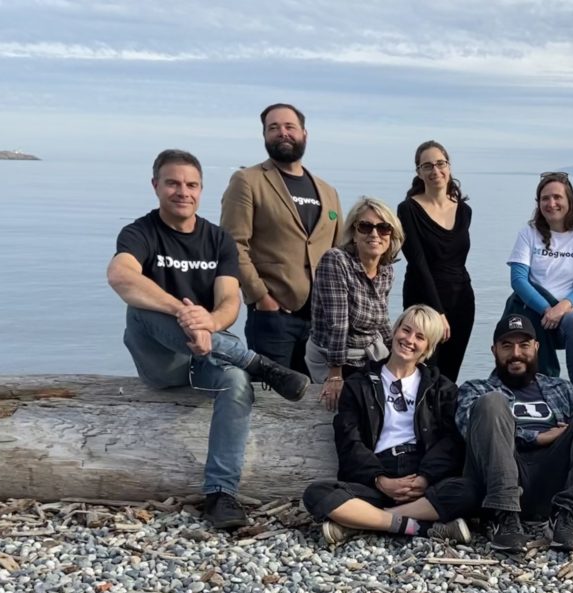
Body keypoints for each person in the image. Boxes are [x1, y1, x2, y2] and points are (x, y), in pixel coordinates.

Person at [107, 149, 310, 529]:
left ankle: (221, 494)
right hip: (161, 360)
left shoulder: (217, 240)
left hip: (205, 355)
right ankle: (256, 362)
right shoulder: (140, 232)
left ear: (201, 190)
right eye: (173, 183)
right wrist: (182, 312)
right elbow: (120, 276)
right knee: (144, 306)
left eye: (191, 184)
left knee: (235, 381)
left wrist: (210, 324)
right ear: (156, 186)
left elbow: (230, 301)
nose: (182, 191)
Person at [303, 305, 478, 545]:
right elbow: (348, 441)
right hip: (377, 476)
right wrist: (379, 480)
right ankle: (421, 527)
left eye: (420, 337)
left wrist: (425, 478)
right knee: (316, 494)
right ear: (394, 330)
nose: (409, 340)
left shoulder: (442, 388)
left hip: (423, 477)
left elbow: (452, 441)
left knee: (470, 489)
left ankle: (365, 523)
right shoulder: (358, 384)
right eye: (405, 330)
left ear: (428, 347)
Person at [456, 314, 573, 552]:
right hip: (502, 476)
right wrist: (535, 437)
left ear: (537, 347)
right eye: (507, 346)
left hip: (553, 477)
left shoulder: (561, 388)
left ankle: (568, 517)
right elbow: (468, 428)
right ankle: (504, 518)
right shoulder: (476, 389)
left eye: (524, 345)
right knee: (491, 403)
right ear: (494, 350)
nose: (516, 353)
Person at [219, 103, 343, 375]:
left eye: (289, 127)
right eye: (273, 128)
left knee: (316, 399)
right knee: (271, 402)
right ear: (264, 136)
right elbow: (232, 243)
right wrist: (262, 297)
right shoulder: (247, 181)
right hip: (273, 318)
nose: (282, 133)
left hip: (321, 320)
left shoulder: (328, 191)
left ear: (304, 134)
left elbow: (339, 253)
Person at [505, 172, 573, 393]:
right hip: (531, 309)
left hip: (564, 312)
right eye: (545, 198)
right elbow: (518, 280)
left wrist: (561, 308)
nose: (551, 203)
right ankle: (536, 388)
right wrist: (546, 309)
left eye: (557, 197)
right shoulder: (528, 234)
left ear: (569, 201)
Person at [307, 197, 404, 411]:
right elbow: (338, 324)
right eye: (366, 227)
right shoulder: (336, 260)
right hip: (332, 357)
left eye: (383, 228)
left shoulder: (386, 269)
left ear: (392, 234)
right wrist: (334, 376)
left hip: (368, 353)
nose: (374, 234)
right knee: (354, 406)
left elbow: (383, 321)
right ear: (354, 232)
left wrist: (400, 357)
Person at [398, 141, 474, 382]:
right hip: (423, 301)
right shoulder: (407, 209)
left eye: (440, 163)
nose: (435, 171)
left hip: (461, 300)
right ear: (419, 172)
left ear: (449, 167)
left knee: (450, 377)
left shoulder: (464, 210)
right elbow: (418, 263)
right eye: (427, 166)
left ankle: (445, 420)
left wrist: (449, 310)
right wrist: (437, 312)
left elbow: (458, 260)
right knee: (422, 373)